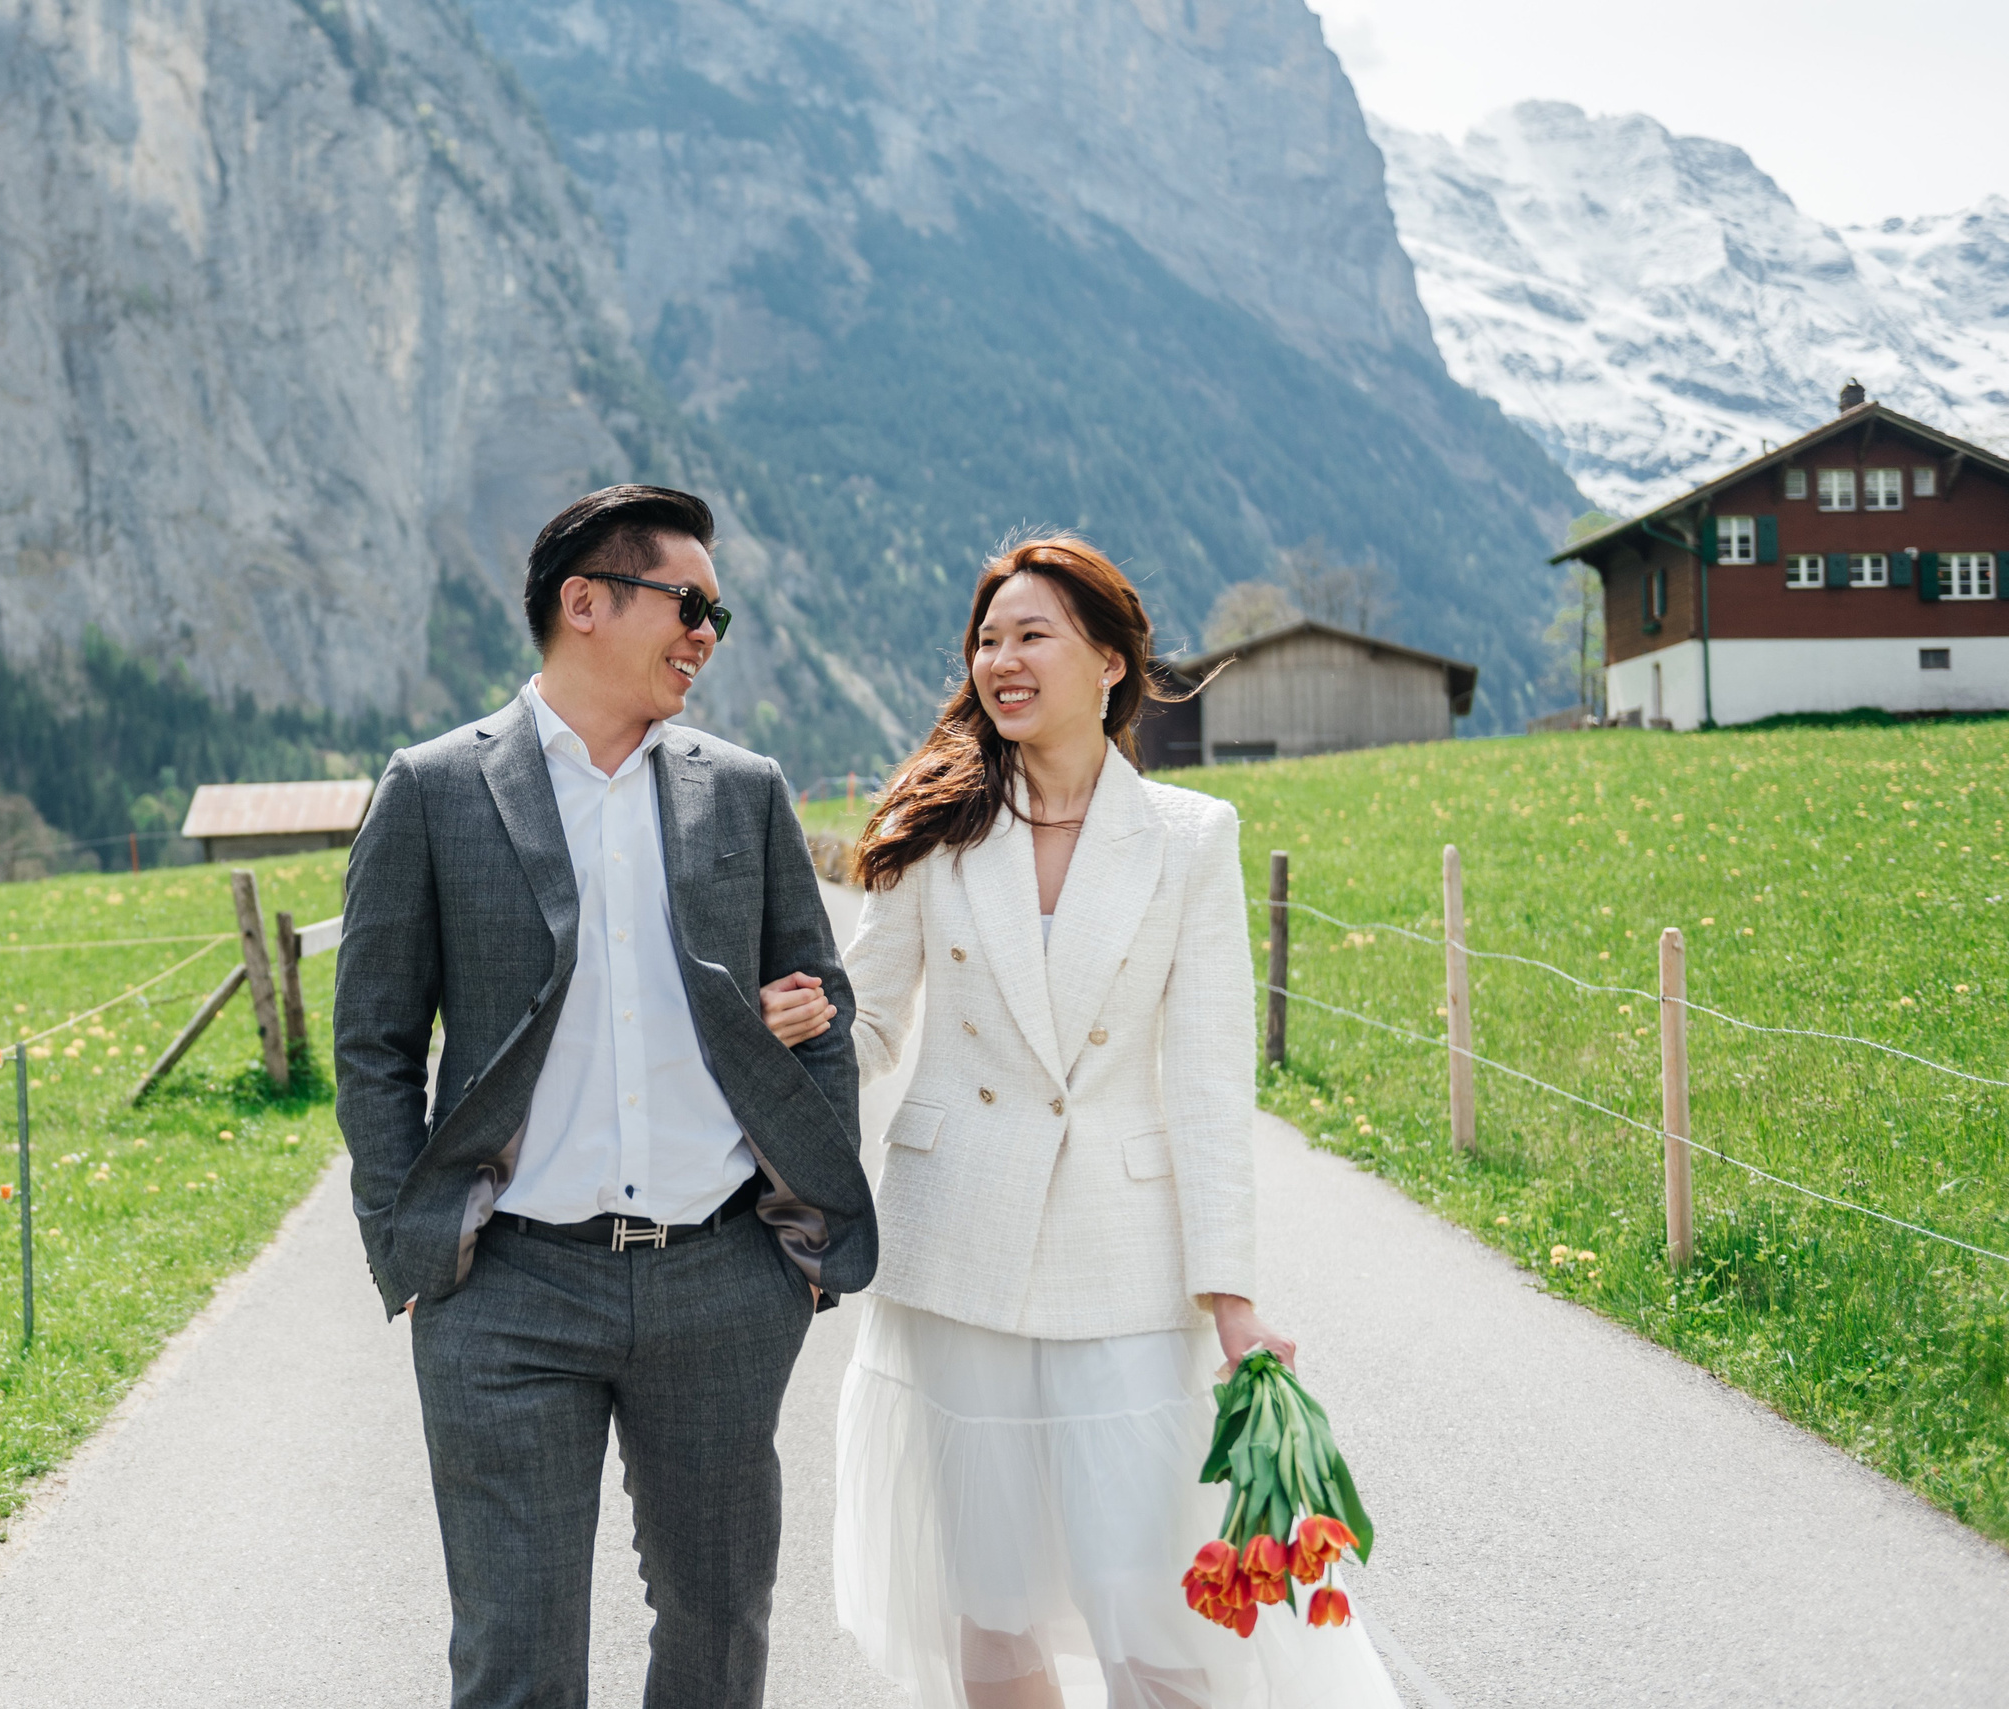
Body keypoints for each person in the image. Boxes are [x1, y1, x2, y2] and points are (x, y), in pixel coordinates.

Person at [829, 534, 1401, 1708]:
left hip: (1125, 1268)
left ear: (1108, 660)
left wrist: (1231, 1301)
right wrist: (790, 1028)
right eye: (986, 639)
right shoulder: (933, 820)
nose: (1001, 660)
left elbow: (1203, 1082)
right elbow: (869, 1025)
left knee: (1150, 1605)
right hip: (954, 1260)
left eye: (1031, 634)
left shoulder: (1191, 838)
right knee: (986, 1604)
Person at [334, 484, 877, 1709]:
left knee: (718, 1624)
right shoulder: (431, 788)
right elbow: (372, 1044)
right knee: (516, 1655)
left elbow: (821, 1010)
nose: (707, 634)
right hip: (507, 1292)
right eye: (690, 604)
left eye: (716, 613)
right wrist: (408, 1241)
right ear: (585, 603)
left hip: (725, 1280)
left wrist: (796, 1244)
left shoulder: (743, 787)